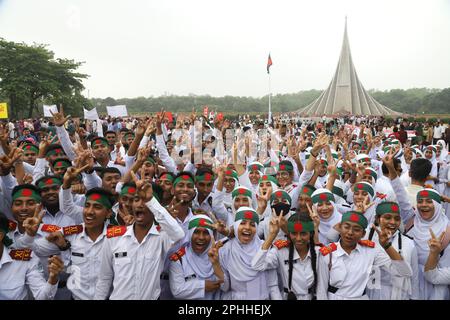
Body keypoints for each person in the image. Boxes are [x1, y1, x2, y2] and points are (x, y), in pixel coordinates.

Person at [94, 175, 185, 300]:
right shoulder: (113, 237)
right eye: (136, 200)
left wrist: (150, 200)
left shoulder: (162, 237)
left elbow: (178, 234)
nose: (140, 205)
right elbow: (104, 278)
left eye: (145, 201)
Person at [316, 211, 412, 300]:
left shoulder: (370, 251)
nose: (350, 233)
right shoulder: (328, 252)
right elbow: (321, 289)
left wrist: (386, 246)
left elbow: (405, 272)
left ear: (363, 234)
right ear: (340, 228)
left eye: (356, 230)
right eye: (346, 227)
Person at [208, 206, 281, 300]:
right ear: (236, 226)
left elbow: (272, 285)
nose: (247, 227)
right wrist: (216, 264)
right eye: (242, 223)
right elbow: (225, 287)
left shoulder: (265, 247)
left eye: (252, 225)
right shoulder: (225, 249)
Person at [252, 214, 319, 300]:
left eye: (303, 233)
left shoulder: (318, 252)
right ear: (289, 234)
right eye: (294, 233)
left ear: (310, 233)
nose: (298, 238)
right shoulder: (281, 251)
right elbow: (257, 265)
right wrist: (272, 235)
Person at [169, 215, 222, 300]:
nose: (201, 237)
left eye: (206, 233)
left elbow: (226, 284)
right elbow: (177, 290)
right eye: (196, 232)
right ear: (190, 234)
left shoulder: (218, 255)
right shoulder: (179, 259)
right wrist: (203, 286)